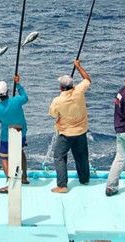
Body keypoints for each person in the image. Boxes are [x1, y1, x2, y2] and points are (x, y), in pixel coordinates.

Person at [48, 59, 92, 193]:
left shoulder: (58, 100)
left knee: (59, 156)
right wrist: (78, 66)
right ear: (72, 85)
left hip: (66, 134)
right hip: (81, 131)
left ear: (61, 87)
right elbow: (87, 79)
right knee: (82, 156)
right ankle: (84, 179)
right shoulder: (79, 91)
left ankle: (62, 185)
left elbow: (53, 114)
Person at [0, 73, 29, 194]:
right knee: (20, 152)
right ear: (7, 91)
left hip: (6, 137)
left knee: (3, 156)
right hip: (21, 133)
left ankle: (11, 183)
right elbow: (25, 97)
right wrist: (18, 84)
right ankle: (24, 178)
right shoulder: (17, 100)